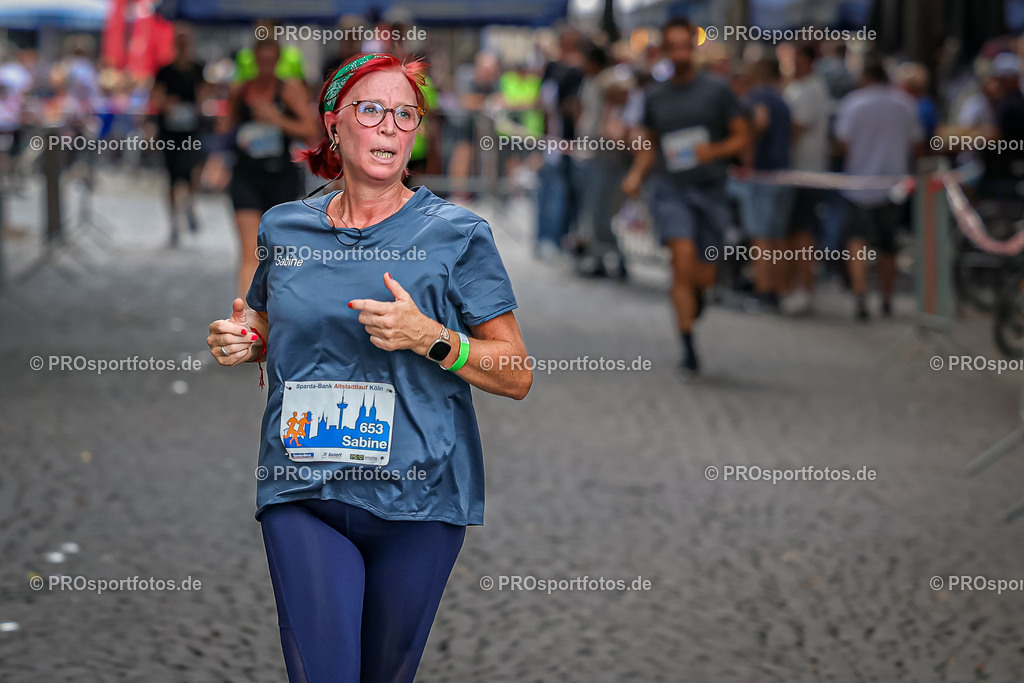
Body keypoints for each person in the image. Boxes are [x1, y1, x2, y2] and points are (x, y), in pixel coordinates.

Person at [205, 52, 532, 682]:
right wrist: (244, 338)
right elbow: (268, 322)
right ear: (334, 124)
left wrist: (431, 337)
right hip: (303, 486)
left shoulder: (458, 234)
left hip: (420, 497)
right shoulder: (284, 228)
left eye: (405, 114)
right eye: (372, 109)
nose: (389, 125)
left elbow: (516, 371)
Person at [622, 17, 749, 375]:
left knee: (703, 272)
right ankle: (688, 344)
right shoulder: (655, 96)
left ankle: (698, 297)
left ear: (693, 48)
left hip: (710, 190)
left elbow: (742, 136)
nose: (679, 54)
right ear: (664, 51)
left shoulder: (717, 91)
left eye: (684, 46)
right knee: (681, 259)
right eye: (672, 47)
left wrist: (715, 150)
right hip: (670, 189)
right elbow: (649, 144)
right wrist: (636, 174)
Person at [206, 38, 318, 297]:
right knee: (250, 250)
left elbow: (310, 130)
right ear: (254, 59)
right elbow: (227, 129)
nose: (266, 65)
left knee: (277, 249)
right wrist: (219, 149)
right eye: (261, 60)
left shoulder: (289, 89)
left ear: (278, 60)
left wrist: (276, 119)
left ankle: (274, 306)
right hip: (246, 175)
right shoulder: (241, 89)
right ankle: (245, 313)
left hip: (281, 177)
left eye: (271, 60)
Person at [834, 57, 923, 320]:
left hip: (858, 185)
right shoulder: (904, 103)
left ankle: (860, 295)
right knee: (888, 245)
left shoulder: (854, 103)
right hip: (892, 186)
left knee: (857, 241)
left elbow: (843, 142)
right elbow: (917, 143)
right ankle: (886, 298)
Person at [733, 57, 794, 313]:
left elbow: (759, 123)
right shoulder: (782, 100)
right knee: (777, 237)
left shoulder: (758, 98)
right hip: (782, 174)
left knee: (761, 237)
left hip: (761, 175)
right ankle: (778, 290)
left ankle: (764, 290)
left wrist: (745, 152)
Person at [782, 43, 832, 314]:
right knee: (793, 232)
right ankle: (793, 286)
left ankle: (805, 288)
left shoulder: (811, 89)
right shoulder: (796, 88)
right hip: (793, 173)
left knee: (802, 232)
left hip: (806, 172)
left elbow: (796, 128)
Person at [150, 26, 207, 246]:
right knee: (173, 177)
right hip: (171, 131)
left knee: (194, 170)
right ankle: (174, 222)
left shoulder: (198, 68)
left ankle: (190, 204)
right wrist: (167, 104)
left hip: (191, 129)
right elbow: (156, 97)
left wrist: (199, 105)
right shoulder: (165, 70)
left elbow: (203, 95)